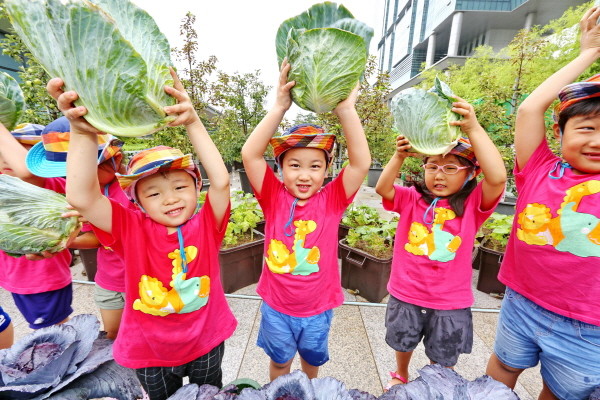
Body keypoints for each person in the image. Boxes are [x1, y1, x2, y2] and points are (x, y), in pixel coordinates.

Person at [47, 69, 237, 400]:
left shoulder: (207, 224)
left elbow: (220, 181)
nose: (171, 198)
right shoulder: (129, 228)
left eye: (180, 186)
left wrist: (193, 120)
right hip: (149, 352)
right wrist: (82, 131)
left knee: (208, 395)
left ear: (196, 188)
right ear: (137, 202)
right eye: (154, 193)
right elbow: (82, 197)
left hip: (206, 341)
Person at [485, 7, 600, 400]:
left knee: (559, 392)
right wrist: (587, 54)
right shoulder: (539, 168)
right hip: (521, 303)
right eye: (586, 128)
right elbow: (528, 108)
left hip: (589, 325)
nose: (596, 141)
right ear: (560, 131)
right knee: (500, 369)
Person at [241, 59, 371, 380]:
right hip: (277, 307)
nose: (304, 174)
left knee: (311, 363)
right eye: (294, 165)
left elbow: (360, 164)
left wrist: (346, 111)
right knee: (280, 364)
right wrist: (279, 107)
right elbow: (250, 155)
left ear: (327, 170)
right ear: (281, 168)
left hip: (318, 309)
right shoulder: (272, 196)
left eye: (315, 166)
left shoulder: (332, 199)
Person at [376, 99, 506, 388]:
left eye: (451, 168)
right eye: (432, 166)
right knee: (403, 340)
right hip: (406, 292)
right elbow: (382, 188)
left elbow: (497, 177)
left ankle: (436, 383)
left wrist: (472, 128)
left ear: (470, 173)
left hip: (450, 300)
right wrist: (398, 157)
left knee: (444, 352)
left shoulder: (473, 204)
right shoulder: (411, 198)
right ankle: (401, 374)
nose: (438, 174)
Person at [25, 116, 133, 340]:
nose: (75, 179)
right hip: (110, 279)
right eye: (68, 174)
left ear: (116, 159)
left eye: (85, 170)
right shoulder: (77, 195)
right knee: (114, 335)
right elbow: (93, 238)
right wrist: (59, 241)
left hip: (142, 278)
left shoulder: (134, 188)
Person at [0, 122, 76, 329]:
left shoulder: (50, 187)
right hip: (14, 279)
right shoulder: (3, 187)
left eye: (22, 151)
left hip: (43, 281)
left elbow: (28, 174)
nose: (8, 159)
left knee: (53, 330)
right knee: (42, 328)